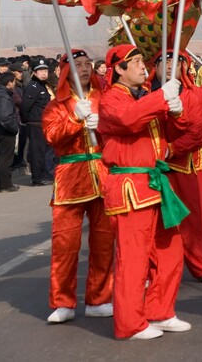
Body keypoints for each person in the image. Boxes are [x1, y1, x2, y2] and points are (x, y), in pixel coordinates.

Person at [97, 44, 191, 340]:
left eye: (141, 61)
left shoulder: (146, 96)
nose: (142, 66)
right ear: (119, 71)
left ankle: (160, 311)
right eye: (134, 62)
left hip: (155, 183)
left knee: (171, 250)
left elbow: (178, 133)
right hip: (130, 186)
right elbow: (128, 119)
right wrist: (161, 99)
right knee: (133, 257)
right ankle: (130, 323)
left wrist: (176, 110)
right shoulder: (112, 98)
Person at [41, 49, 115, 324]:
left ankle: (99, 298)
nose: (84, 69)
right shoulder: (55, 106)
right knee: (65, 244)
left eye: (87, 65)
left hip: (103, 175)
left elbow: (120, 131)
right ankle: (62, 301)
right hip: (71, 178)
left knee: (105, 243)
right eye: (77, 65)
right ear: (65, 72)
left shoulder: (105, 99)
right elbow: (52, 137)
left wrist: (105, 124)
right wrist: (74, 117)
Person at [160, 51, 202, 284]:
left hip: (188, 164)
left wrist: (173, 148)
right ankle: (156, 270)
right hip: (156, 167)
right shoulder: (148, 94)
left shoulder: (197, 94)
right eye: (162, 62)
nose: (168, 67)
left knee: (195, 220)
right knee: (159, 222)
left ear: (184, 66)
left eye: (175, 62)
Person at [22, 58, 56, 186]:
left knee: (47, 151)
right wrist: (28, 121)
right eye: (40, 70)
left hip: (45, 123)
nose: (43, 73)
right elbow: (25, 107)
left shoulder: (43, 85)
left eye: (45, 70)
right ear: (34, 73)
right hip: (36, 124)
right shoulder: (33, 87)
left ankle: (47, 174)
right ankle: (37, 178)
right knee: (37, 152)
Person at [0, 71, 21, 192]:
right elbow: (4, 117)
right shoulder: (4, 96)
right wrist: (14, 128)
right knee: (5, 158)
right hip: (4, 130)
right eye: (14, 82)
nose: (14, 84)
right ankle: (5, 185)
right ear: (9, 83)